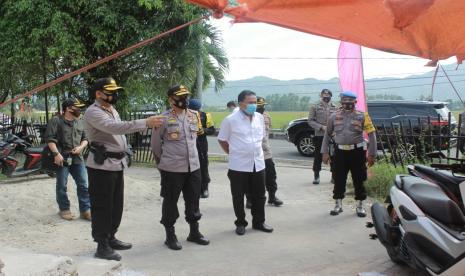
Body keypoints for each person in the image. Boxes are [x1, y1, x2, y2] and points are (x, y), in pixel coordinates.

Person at [83, 77, 164, 261]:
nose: (114, 94)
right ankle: (101, 245)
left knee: (115, 205)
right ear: (98, 94)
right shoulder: (93, 112)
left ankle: (111, 237)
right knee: (102, 206)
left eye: (114, 91)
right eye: (110, 91)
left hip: (116, 165)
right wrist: (145, 122)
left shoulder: (111, 109)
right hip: (101, 166)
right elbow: (115, 128)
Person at [151, 85, 210, 251]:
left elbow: (195, 140)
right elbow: (155, 146)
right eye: (180, 96)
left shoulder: (194, 115)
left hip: (194, 167)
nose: (185, 99)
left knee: (193, 200)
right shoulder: (162, 118)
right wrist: (163, 165)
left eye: (186, 96)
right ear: (171, 99)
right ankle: (170, 235)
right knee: (170, 202)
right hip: (172, 168)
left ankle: (194, 232)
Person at [218, 90, 274, 235]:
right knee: (238, 195)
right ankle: (240, 223)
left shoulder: (259, 118)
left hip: (258, 163)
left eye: (255, 102)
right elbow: (222, 140)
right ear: (240, 103)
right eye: (250, 102)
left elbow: (260, 138)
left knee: (260, 195)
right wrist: (233, 152)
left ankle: (259, 222)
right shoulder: (230, 120)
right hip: (238, 165)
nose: (253, 105)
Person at [321, 91, 377, 217]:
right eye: (345, 102)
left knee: (359, 179)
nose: (347, 105)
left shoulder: (363, 116)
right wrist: (324, 152)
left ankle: (360, 206)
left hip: (357, 153)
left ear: (355, 102)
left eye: (350, 103)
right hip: (340, 153)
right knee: (338, 178)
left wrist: (371, 154)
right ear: (341, 102)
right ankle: (338, 204)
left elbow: (372, 135)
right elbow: (327, 135)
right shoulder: (333, 117)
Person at [45, 98, 91, 221]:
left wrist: (81, 147)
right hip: (61, 157)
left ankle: (85, 210)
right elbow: (50, 139)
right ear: (68, 108)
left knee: (83, 185)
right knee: (61, 185)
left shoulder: (80, 121)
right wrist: (56, 154)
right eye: (77, 107)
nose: (79, 109)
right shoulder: (56, 121)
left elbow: (86, 138)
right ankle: (64, 209)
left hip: (77, 158)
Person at [255, 97, 283, 206]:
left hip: (266, 151)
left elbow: (267, 132)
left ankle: (272, 196)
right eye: (259, 106)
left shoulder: (266, 115)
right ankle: (250, 199)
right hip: (252, 152)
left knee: (271, 174)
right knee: (253, 177)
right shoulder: (247, 117)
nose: (261, 108)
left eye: (262, 106)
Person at [308, 89, 338, 184]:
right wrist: (321, 127)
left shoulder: (335, 107)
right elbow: (310, 121)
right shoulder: (314, 106)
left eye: (328, 95)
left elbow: (338, 121)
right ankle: (316, 176)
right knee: (318, 156)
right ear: (321, 95)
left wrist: (335, 131)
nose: (326, 96)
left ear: (330, 96)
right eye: (324, 95)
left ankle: (334, 176)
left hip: (332, 136)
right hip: (320, 135)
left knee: (334, 156)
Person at [188, 99, 215, 198]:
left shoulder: (206, 115)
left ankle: (204, 189)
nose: (195, 111)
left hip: (201, 143)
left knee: (203, 166)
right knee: (189, 167)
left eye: (196, 109)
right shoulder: (185, 115)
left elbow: (212, 130)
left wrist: (203, 130)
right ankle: (191, 189)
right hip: (188, 143)